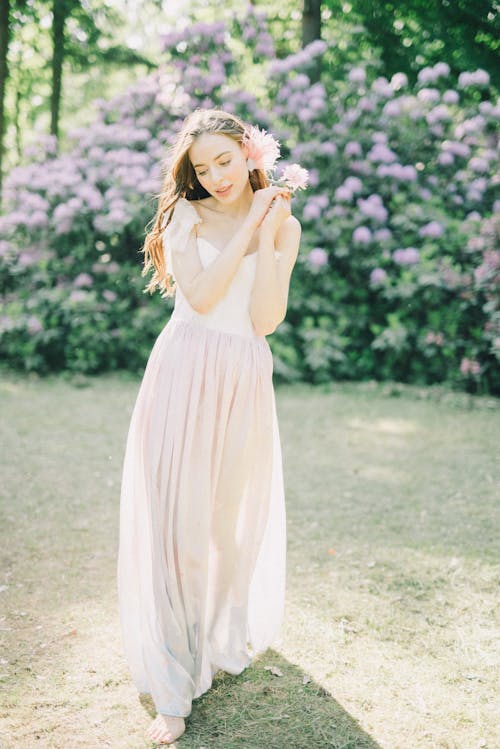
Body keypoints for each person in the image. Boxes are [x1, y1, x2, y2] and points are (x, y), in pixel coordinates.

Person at [117, 107, 302, 745]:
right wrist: (250, 221)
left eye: (225, 160)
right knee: (179, 524)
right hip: (185, 370)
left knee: (226, 524)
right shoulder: (185, 218)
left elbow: (264, 319)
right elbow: (198, 297)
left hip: (244, 373)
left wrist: (274, 238)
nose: (217, 175)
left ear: (250, 155)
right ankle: (172, 684)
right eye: (203, 167)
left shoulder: (284, 224)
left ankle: (214, 638)